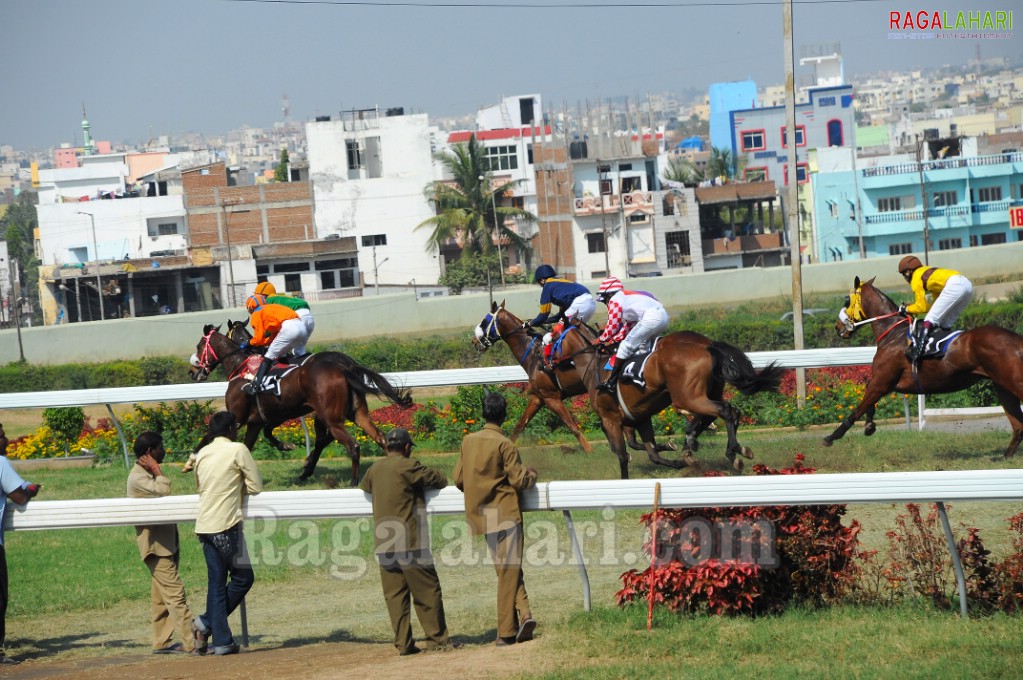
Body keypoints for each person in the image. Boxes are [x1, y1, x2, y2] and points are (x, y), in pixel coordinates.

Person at [454, 392, 538, 647]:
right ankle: (506, 632)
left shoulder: (468, 441)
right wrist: (532, 474)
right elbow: (518, 480)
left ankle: (525, 614)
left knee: (505, 570)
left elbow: (458, 479)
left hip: (482, 515)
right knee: (508, 572)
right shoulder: (506, 445)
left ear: (483, 413)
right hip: (506, 513)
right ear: (503, 415)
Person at [359, 428, 454, 656]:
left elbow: (365, 487)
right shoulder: (409, 466)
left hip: (384, 544)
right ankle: (437, 640)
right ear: (407, 447)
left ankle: (403, 643)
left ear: (387, 447)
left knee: (395, 597)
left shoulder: (374, 469)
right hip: (411, 543)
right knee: (427, 592)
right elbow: (440, 479)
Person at [192, 411, 263, 656]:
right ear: (232, 429)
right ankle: (208, 625)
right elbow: (255, 486)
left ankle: (218, 637)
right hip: (227, 525)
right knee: (244, 578)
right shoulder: (238, 449)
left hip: (204, 526)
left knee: (216, 583)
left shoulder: (202, 453)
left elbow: (200, 487)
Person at [127, 432, 199, 655]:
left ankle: (162, 642)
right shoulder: (138, 478)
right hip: (156, 547)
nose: (164, 450)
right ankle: (193, 643)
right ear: (149, 453)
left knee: (161, 596)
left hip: (166, 543)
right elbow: (164, 490)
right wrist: (157, 469)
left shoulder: (144, 474)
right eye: (160, 448)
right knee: (176, 595)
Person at [0, 423, 41, 666]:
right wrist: (32, 491)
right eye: (1, 436)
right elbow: (20, 495)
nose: (6, 440)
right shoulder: (1, 463)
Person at [592, 276, 669, 393]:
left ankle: (611, 382)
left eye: (604, 300)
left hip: (651, 318)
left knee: (625, 346)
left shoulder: (615, 299)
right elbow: (628, 326)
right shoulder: (629, 298)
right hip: (663, 317)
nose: (606, 303)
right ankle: (645, 374)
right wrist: (614, 339)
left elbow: (612, 325)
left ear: (608, 295)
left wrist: (600, 339)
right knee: (643, 346)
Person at [897, 255, 974, 364]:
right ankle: (945, 350)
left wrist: (906, 308)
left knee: (930, 319)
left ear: (909, 271)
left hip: (955, 285)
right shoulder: (927, 274)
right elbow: (933, 306)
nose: (905, 278)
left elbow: (921, 307)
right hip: (967, 285)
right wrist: (912, 307)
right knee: (944, 323)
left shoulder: (916, 278)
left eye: (904, 274)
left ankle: (918, 351)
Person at [524, 265, 597, 367]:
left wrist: (529, 323)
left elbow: (543, 315)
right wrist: (544, 321)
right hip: (590, 304)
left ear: (541, 280)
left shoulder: (548, 286)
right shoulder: (560, 283)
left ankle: (554, 362)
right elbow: (560, 316)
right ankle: (581, 355)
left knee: (553, 335)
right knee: (574, 332)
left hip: (579, 304)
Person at [241, 294, 309, 396]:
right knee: (286, 355)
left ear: (250, 308)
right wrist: (267, 343)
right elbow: (272, 336)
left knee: (269, 356)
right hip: (301, 327)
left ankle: (254, 387)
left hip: (289, 328)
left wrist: (248, 343)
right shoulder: (271, 308)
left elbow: (259, 339)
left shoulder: (256, 313)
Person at [253, 281, 315, 346]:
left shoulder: (266, 301)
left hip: (297, 318)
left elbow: (269, 328)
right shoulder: (280, 296)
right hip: (309, 317)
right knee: (298, 350)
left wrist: (259, 338)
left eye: (257, 295)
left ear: (263, 295)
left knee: (279, 348)